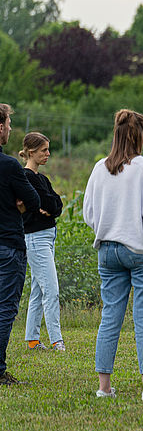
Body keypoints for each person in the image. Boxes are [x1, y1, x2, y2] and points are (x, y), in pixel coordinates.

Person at [83, 109, 143, 399]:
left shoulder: (99, 168)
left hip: (108, 250)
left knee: (110, 317)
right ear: (138, 135)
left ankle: (104, 387)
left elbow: (89, 214)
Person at [0, 103, 41, 386]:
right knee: (4, 308)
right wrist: (20, 206)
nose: (11, 129)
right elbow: (35, 200)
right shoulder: (9, 166)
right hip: (7, 246)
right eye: (9, 124)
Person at [19, 132, 65, 351]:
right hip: (35, 239)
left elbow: (56, 204)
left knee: (38, 290)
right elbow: (35, 205)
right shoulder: (24, 177)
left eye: (48, 149)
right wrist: (43, 206)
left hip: (48, 236)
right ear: (31, 152)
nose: (48, 153)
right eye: (43, 150)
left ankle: (32, 339)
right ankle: (57, 340)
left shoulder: (42, 179)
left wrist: (48, 207)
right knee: (51, 290)